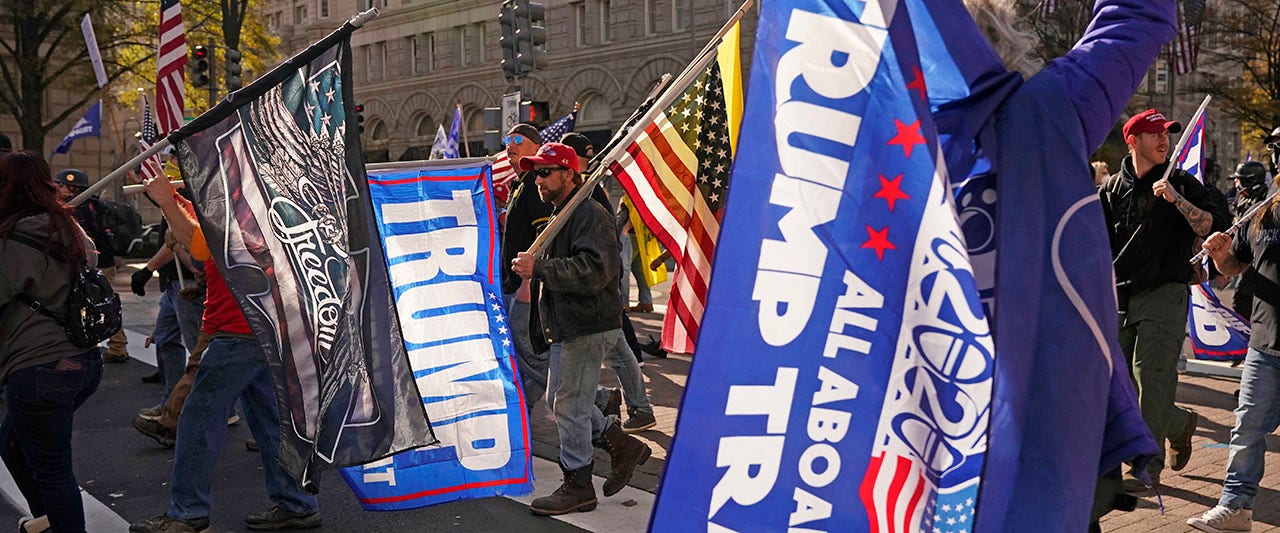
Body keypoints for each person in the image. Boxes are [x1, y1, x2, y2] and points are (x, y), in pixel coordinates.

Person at [934, 0, 1173, 529]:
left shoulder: (869, 151)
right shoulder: (1050, 111)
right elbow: (1136, 19)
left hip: (920, 448)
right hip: (1053, 441)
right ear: (1007, 48)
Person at [130, 175, 319, 532]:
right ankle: (297, 502)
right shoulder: (252, 203)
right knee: (267, 420)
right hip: (254, 328)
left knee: (197, 419)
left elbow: (200, 246)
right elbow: (201, 232)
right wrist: (171, 200)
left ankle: (187, 513)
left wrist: (168, 201)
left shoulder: (248, 212)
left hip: (240, 330)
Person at [511, 143, 652, 515]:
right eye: (534, 172)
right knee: (561, 400)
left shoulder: (589, 214)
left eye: (545, 172)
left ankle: (578, 484)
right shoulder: (563, 213)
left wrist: (539, 269)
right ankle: (618, 443)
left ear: (569, 174)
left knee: (569, 406)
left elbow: (595, 271)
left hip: (587, 324)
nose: (537, 180)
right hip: (570, 324)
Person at [1100, 108, 1231, 492]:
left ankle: (1145, 467)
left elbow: (1216, 225)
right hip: (1121, 294)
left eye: (1167, 135)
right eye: (1155, 134)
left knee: (1152, 377)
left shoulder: (1182, 182)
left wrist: (1176, 200)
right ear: (1132, 140)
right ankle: (1177, 423)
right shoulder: (1111, 189)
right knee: (1122, 386)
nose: (1164, 141)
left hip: (1166, 292)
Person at [0, 151, 105, 533]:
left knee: (55, 472)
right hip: (84, 361)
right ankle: (48, 520)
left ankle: (60, 524)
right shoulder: (67, 226)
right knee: (12, 443)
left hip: (38, 366)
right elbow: (92, 261)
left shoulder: (12, 238)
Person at [1188, 189, 1280, 532]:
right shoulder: (1263, 213)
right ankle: (1236, 508)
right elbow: (1234, 264)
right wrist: (1220, 254)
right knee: (1246, 429)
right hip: (1265, 343)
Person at [558, 132, 658, 432]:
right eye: (584, 157)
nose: (588, 163)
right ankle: (636, 406)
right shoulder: (586, 188)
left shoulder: (589, 191)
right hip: (601, 287)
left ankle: (632, 409)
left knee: (618, 349)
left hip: (598, 286)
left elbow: (605, 241)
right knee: (620, 349)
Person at [499, 124, 553, 415]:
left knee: (527, 352)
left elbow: (544, 237)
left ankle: (596, 403)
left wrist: (528, 283)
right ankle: (523, 412)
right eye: (507, 142)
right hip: (518, 282)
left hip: (528, 284)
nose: (510, 146)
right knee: (524, 355)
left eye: (517, 140)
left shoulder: (536, 182)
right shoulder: (521, 184)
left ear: (536, 146)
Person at [55, 169, 129, 362]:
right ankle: (117, 346)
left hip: (94, 266)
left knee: (97, 303)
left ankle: (116, 346)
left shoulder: (76, 209)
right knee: (103, 302)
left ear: (73, 188)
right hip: (102, 264)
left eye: (62, 185)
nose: (58, 188)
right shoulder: (93, 205)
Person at [1229, 161, 1269, 316]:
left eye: (1239, 179)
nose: (1236, 183)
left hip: (1257, 258)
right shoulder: (1242, 199)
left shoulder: (1264, 199)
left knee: (1245, 299)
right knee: (1241, 301)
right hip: (1244, 253)